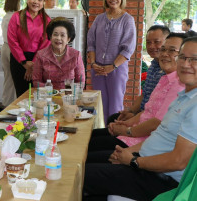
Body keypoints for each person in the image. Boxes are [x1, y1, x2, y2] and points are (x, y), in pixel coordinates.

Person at [83, 36, 197, 201]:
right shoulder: (183, 96)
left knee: (78, 175)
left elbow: (179, 161)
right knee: (83, 169)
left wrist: (134, 161)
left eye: (194, 59)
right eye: (183, 58)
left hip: (160, 180)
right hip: (143, 164)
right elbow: (160, 134)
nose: (186, 64)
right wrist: (127, 153)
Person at [87, 33, 186, 163]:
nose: (164, 54)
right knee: (90, 138)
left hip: (143, 146)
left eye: (172, 50)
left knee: (88, 152)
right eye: (163, 49)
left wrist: (127, 131)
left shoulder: (179, 85)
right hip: (137, 137)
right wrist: (127, 123)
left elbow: (157, 122)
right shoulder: (164, 78)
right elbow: (148, 110)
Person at [87, 0, 136, 123]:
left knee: (115, 105)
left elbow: (128, 49)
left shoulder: (128, 20)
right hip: (97, 69)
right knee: (100, 104)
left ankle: (114, 133)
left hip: (117, 69)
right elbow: (91, 44)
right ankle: (101, 134)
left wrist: (112, 66)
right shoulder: (99, 19)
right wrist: (93, 63)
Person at [109, 25, 170, 123]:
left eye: (156, 42)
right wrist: (130, 111)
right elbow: (144, 95)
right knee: (113, 118)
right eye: (148, 42)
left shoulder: (169, 73)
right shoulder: (153, 65)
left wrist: (131, 120)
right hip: (142, 114)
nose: (151, 46)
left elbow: (156, 111)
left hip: (151, 119)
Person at [8, 0, 51, 97]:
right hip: (18, 60)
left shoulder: (47, 20)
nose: (36, 2)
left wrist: (33, 65)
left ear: (43, 3)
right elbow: (12, 40)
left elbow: (45, 43)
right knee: (21, 94)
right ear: (28, 0)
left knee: (37, 95)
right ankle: (24, 114)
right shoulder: (16, 16)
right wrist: (24, 63)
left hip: (38, 60)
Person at [32, 18, 85, 89]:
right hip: (47, 95)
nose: (58, 38)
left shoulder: (76, 55)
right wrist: (51, 90)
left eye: (62, 35)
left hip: (68, 96)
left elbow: (80, 81)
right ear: (50, 37)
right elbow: (36, 81)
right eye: (55, 34)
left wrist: (70, 91)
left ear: (68, 39)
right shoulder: (41, 55)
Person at [1, 0, 19, 106]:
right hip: (13, 49)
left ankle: (6, 103)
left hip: (5, 47)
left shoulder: (5, 16)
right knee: (15, 80)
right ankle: (13, 105)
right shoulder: (15, 16)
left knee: (8, 78)